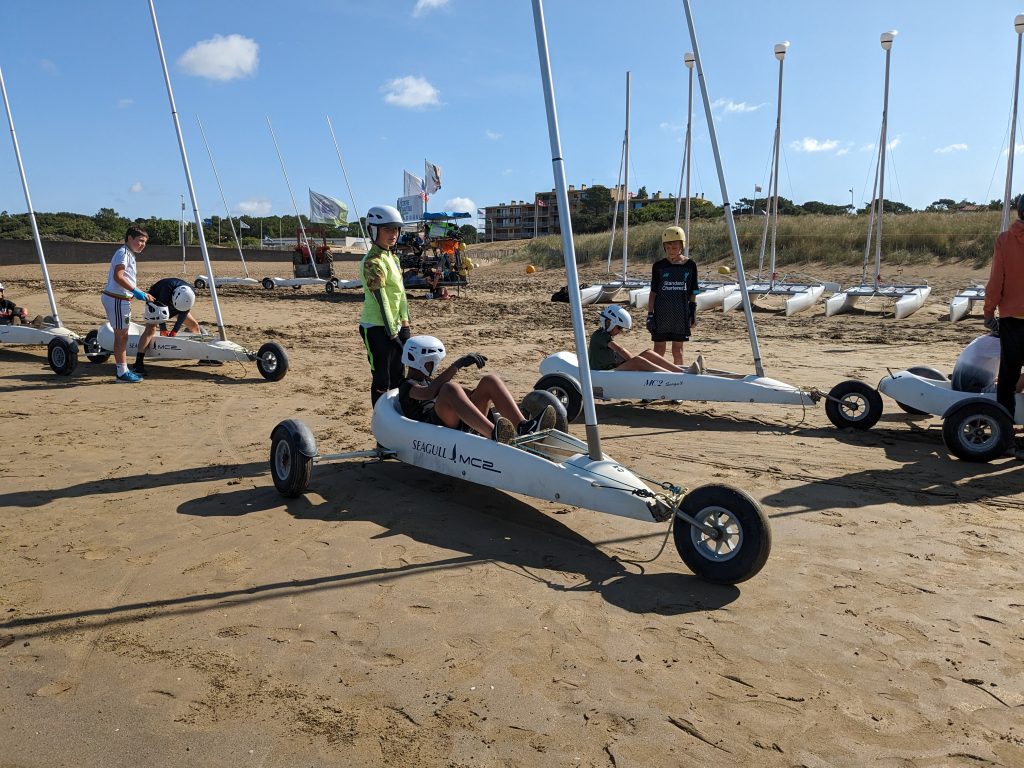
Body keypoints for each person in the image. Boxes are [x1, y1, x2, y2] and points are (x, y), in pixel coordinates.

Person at [398, 335, 556, 444]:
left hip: (459, 421)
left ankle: (523, 426)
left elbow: (464, 395)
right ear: (419, 361)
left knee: (489, 381)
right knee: (449, 388)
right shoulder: (407, 385)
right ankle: (495, 433)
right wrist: (457, 365)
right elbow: (428, 393)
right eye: (432, 362)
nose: (435, 366)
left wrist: (480, 393)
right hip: (434, 428)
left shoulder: (430, 381)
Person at [360, 205, 411, 405]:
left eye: (396, 229)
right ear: (373, 230)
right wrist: (392, 333)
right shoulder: (371, 261)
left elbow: (400, 294)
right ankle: (381, 424)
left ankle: (397, 420)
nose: (394, 234)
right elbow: (381, 300)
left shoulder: (394, 258)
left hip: (396, 326)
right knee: (382, 378)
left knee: (399, 376)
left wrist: (405, 325)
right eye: (387, 229)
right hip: (375, 327)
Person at [984, 193, 1024, 426]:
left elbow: (996, 281)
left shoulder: (1005, 240)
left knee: (1007, 380)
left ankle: (1005, 433)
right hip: (1012, 318)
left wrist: (989, 313)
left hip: (1013, 320)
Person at [100, 226, 152, 383]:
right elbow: (118, 276)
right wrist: (137, 291)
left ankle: (122, 370)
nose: (142, 244)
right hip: (116, 298)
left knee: (123, 335)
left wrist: (139, 292)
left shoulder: (129, 254)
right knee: (121, 336)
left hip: (122, 299)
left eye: (145, 242)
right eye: (140, 240)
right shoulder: (123, 252)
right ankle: (122, 372)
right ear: (130, 238)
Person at [646, 225, 699, 366]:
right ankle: (657, 375)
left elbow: (694, 290)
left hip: (681, 314)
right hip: (661, 313)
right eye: (667, 248)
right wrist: (650, 314)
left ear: (682, 245)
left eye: (674, 247)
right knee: (658, 350)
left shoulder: (690, 265)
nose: (671, 251)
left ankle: (678, 377)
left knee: (678, 351)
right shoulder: (659, 266)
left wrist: (693, 311)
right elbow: (653, 292)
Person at [132, 277, 200, 376]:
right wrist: (163, 328)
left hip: (177, 304)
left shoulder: (190, 294)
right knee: (151, 329)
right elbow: (160, 311)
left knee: (194, 326)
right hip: (156, 299)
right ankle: (138, 363)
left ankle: (202, 355)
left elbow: (184, 312)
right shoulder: (166, 290)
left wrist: (174, 331)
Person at [589, 305, 687, 373]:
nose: (619, 331)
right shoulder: (600, 336)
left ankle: (681, 371)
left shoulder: (604, 335)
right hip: (603, 373)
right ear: (609, 322)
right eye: (619, 327)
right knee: (637, 360)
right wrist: (634, 361)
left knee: (648, 353)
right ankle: (671, 375)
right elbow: (620, 349)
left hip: (611, 369)